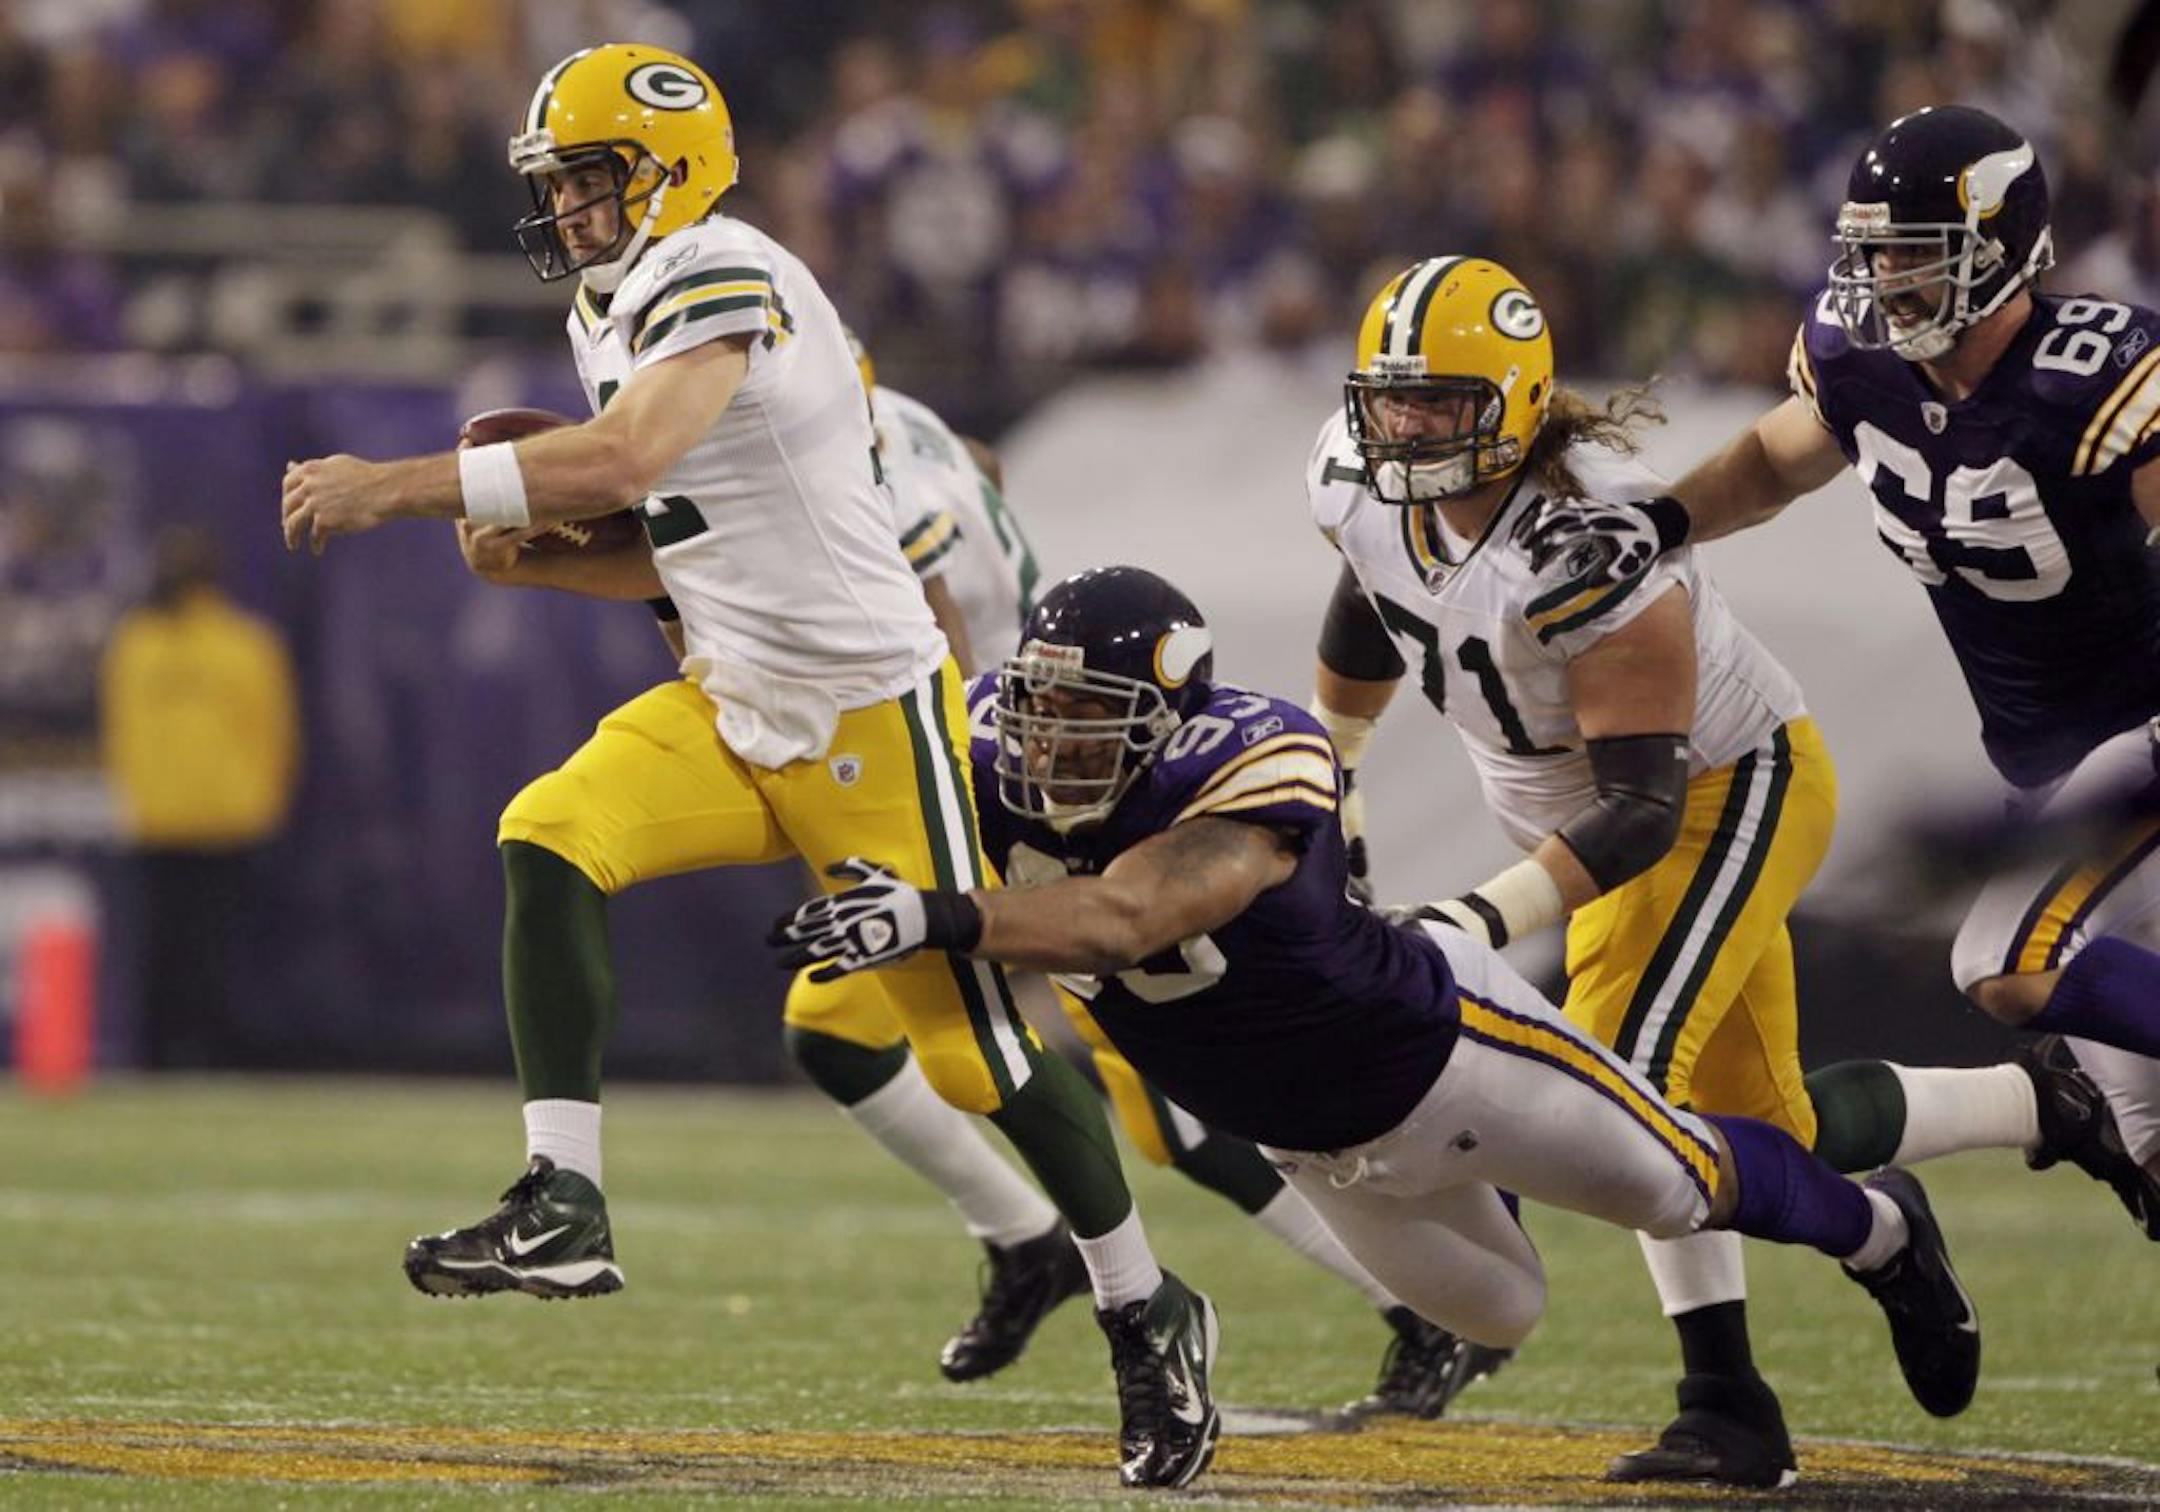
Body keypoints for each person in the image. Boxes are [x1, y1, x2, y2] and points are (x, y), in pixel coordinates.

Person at [278, 44, 1216, 1491]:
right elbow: (683, 541)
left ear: (675, 171)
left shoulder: (724, 270)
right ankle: (565, 1198)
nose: (574, 208)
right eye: (561, 184)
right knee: (552, 829)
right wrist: (538, 574)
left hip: (863, 710)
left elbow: (621, 460)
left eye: (595, 178)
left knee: (977, 1053)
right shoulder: (618, 303)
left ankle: (1150, 1311)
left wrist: (395, 488)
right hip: (734, 693)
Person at [769, 565, 1986, 1459]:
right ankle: (1569, 1172)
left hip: (1446, 1054)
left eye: (1092, 715)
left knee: (1679, 1185)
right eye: (1045, 705)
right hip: (1313, 1147)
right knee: (1499, 1309)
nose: (1054, 738)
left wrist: (936, 915)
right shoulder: (984, 746)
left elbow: (1125, 920)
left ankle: (1880, 1234)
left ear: (1171, 715)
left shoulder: (1256, 756)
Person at [776, 342, 1504, 1417]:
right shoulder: (914, 438)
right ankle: (1030, 1243)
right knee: (833, 1024)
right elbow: (983, 468)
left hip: (1037, 789)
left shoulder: (871, 489)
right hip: (1031, 756)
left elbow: (915, 663)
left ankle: (1420, 1308)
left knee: (1168, 1116)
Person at [1516, 104, 2160, 1241]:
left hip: (2135, 746)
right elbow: (1775, 458)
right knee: (2152, 1153)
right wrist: (1663, 518)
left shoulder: (2099, 376)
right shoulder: (1864, 366)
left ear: (2004, 247)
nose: (1887, 278)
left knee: (2005, 963)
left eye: (1917, 250)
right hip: (2046, 776)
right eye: (1874, 249)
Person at [1302, 253, 1845, 1488]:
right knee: (1774, 1132)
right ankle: (2035, 1113)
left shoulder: (1593, 529)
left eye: (1439, 402)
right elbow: (1371, 591)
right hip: (1580, 821)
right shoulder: (1357, 476)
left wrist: (1476, 920)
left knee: (1610, 1108)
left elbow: (1643, 808)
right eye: (1391, 400)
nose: (1407, 427)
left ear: (1516, 396)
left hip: (1721, 788)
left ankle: (1725, 1400)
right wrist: (1332, 764)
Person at [100, 525, 300, 1068]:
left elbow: (271, 733)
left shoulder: (225, 644)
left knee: (203, 952)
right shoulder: (148, 642)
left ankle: (196, 1055)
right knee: (178, 951)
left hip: (205, 822)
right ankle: (171, 1054)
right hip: (189, 822)